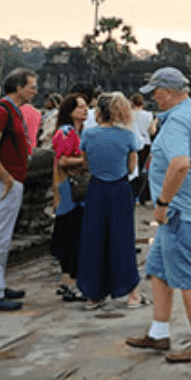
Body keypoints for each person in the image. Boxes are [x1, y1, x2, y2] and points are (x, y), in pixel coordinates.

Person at [127, 67, 191, 363]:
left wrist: (164, 203)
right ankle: (158, 333)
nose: (154, 99)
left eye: (156, 93)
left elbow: (179, 164)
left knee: (189, 277)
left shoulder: (178, 120)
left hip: (182, 212)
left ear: (168, 92)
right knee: (158, 270)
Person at [0, 68, 37, 311]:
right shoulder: (0, 111)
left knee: (2, 237)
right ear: (19, 88)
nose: (35, 90)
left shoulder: (12, 112)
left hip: (9, 179)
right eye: (31, 86)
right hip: (2, 182)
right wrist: (7, 178)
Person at [77, 92, 144, 307]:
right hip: (120, 189)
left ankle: (92, 294)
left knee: (93, 239)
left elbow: (85, 164)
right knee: (122, 239)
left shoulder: (89, 134)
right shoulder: (127, 136)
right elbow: (131, 167)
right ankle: (131, 292)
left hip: (96, 188)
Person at [51, 93, 89, 302]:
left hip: (74, 190)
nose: (84, 110)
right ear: (70, 111)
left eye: (85, 106)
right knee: (72, 236)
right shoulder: (66, 132)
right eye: (80, 107)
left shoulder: (77, 131)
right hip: (70, 190)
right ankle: (71, 283)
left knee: (71, 235)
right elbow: (62, 161)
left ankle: (67, 281)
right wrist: (85, 161)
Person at [130, 93, 155, 206]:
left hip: (132, 143)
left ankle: (132, 195)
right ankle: (143, 197)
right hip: (146, 144)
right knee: (143, 172)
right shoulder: (148, 115)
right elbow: (152, 131)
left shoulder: (129, 114)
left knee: (133, 171)